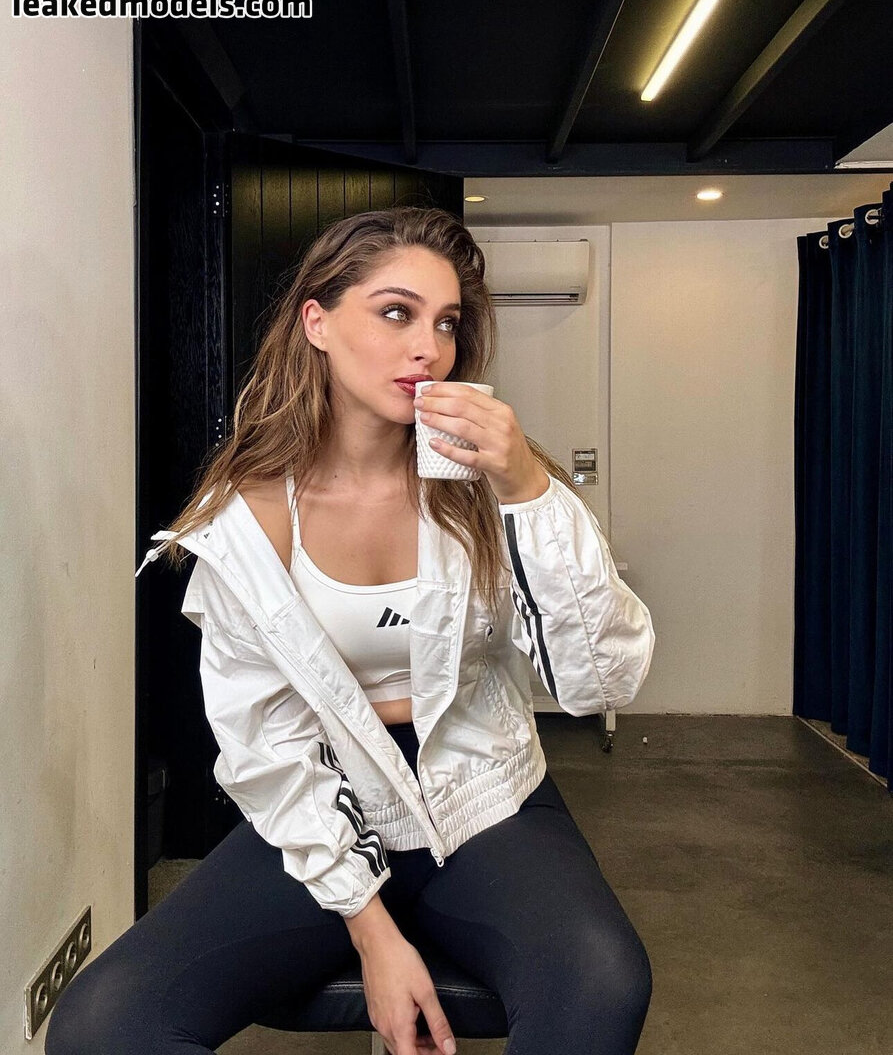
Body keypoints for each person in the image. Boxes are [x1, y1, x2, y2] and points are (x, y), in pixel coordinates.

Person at [46, 206, 656, 1055]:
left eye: (445, 323)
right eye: (396, 312)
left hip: (484, 793)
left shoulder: (491, 488)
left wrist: (526, 487)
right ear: (318, 323)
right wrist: (372, 933)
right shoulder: (247, 521)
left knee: (602, 981)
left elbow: (600, 683)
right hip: (326, 797)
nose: (428, 348)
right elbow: (266, 741)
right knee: (104, 1024)